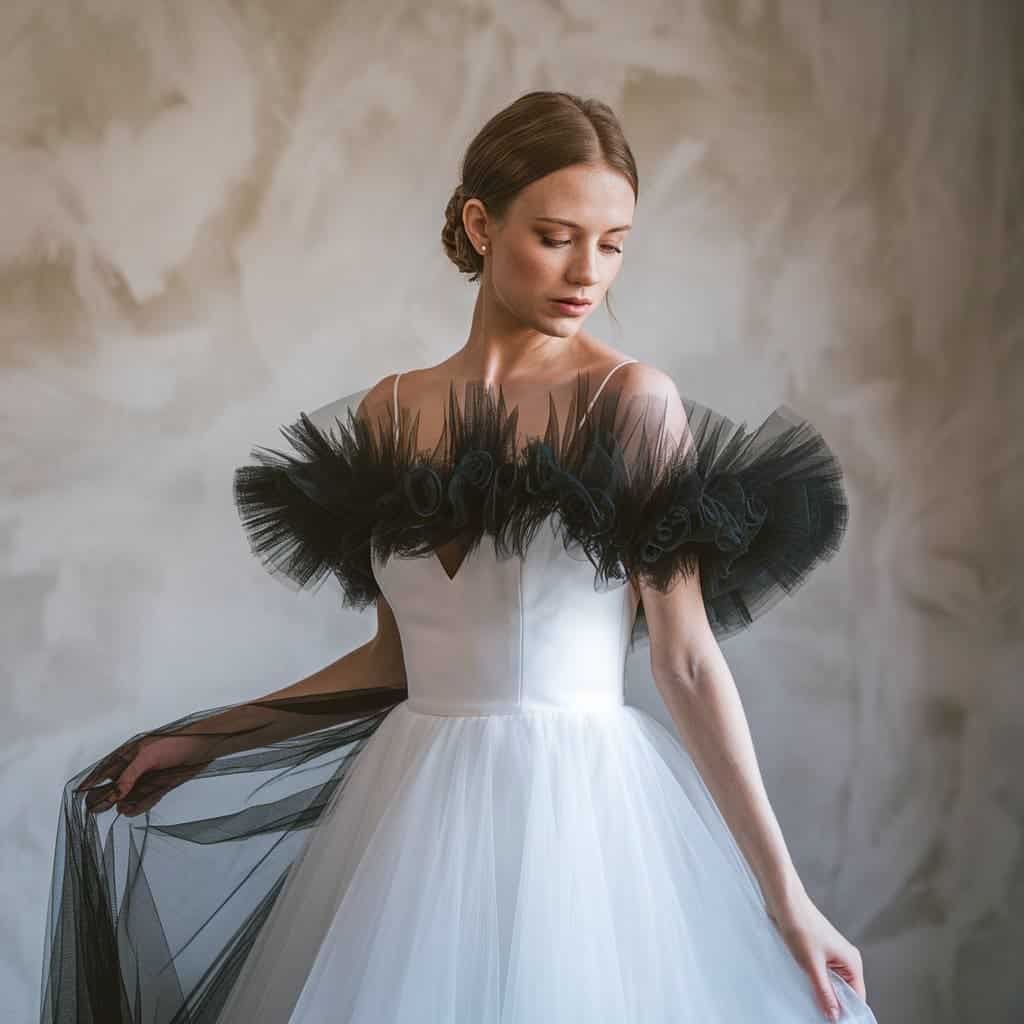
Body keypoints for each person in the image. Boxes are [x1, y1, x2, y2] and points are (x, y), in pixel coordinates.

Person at [40, 90, 879, 1023]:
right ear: (481, 224)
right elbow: (395, 661)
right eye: (557, 236)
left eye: (613, 244)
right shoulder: (389, 412)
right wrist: (210, 735)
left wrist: (785, 894)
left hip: (580, 822)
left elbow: (684, 659)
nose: (588, 272)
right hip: (408, 814)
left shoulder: (631, 402)